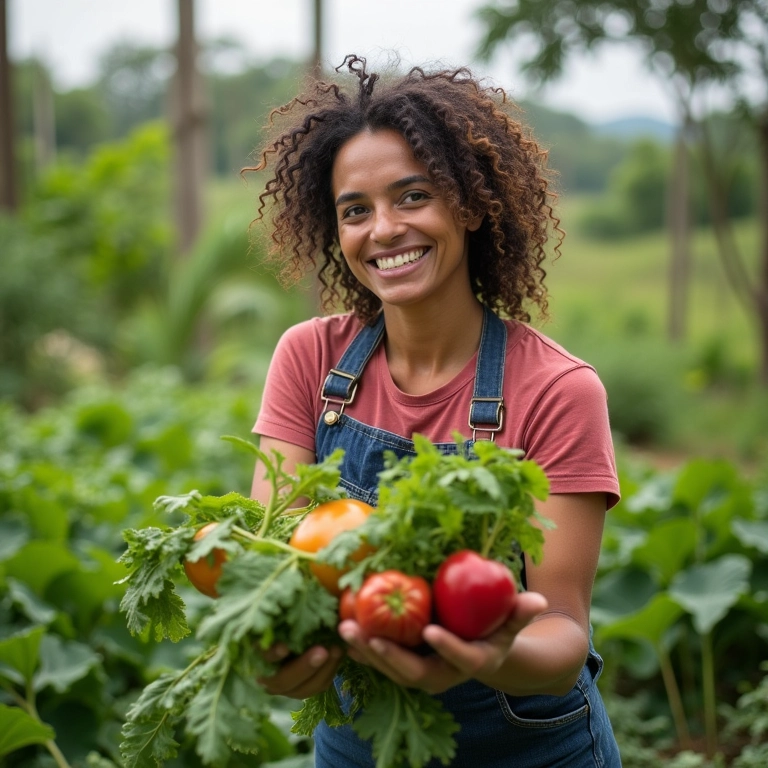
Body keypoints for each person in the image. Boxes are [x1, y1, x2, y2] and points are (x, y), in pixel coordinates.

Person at [246, 54, 622, 768]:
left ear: (472, 204)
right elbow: (278, 568)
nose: (384, 229)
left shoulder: (557, 389)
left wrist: (477, 655)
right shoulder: (309, 362)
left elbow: (564, 635)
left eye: (413, 197)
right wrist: (278, 654)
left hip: (532, 751)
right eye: (355, 210)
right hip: (359, 748)